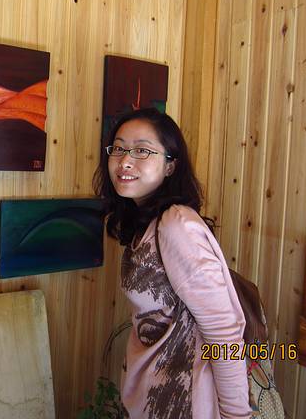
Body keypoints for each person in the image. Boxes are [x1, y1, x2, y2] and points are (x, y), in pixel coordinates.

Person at [93, 108, 252, 419]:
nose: (125, 161)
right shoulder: (145, 224)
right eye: (119, 148)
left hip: (190, 401)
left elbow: (223, 329)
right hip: (157, 399)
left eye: (142, 150)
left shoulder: (176, 225)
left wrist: (236, 415)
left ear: (170, 165)